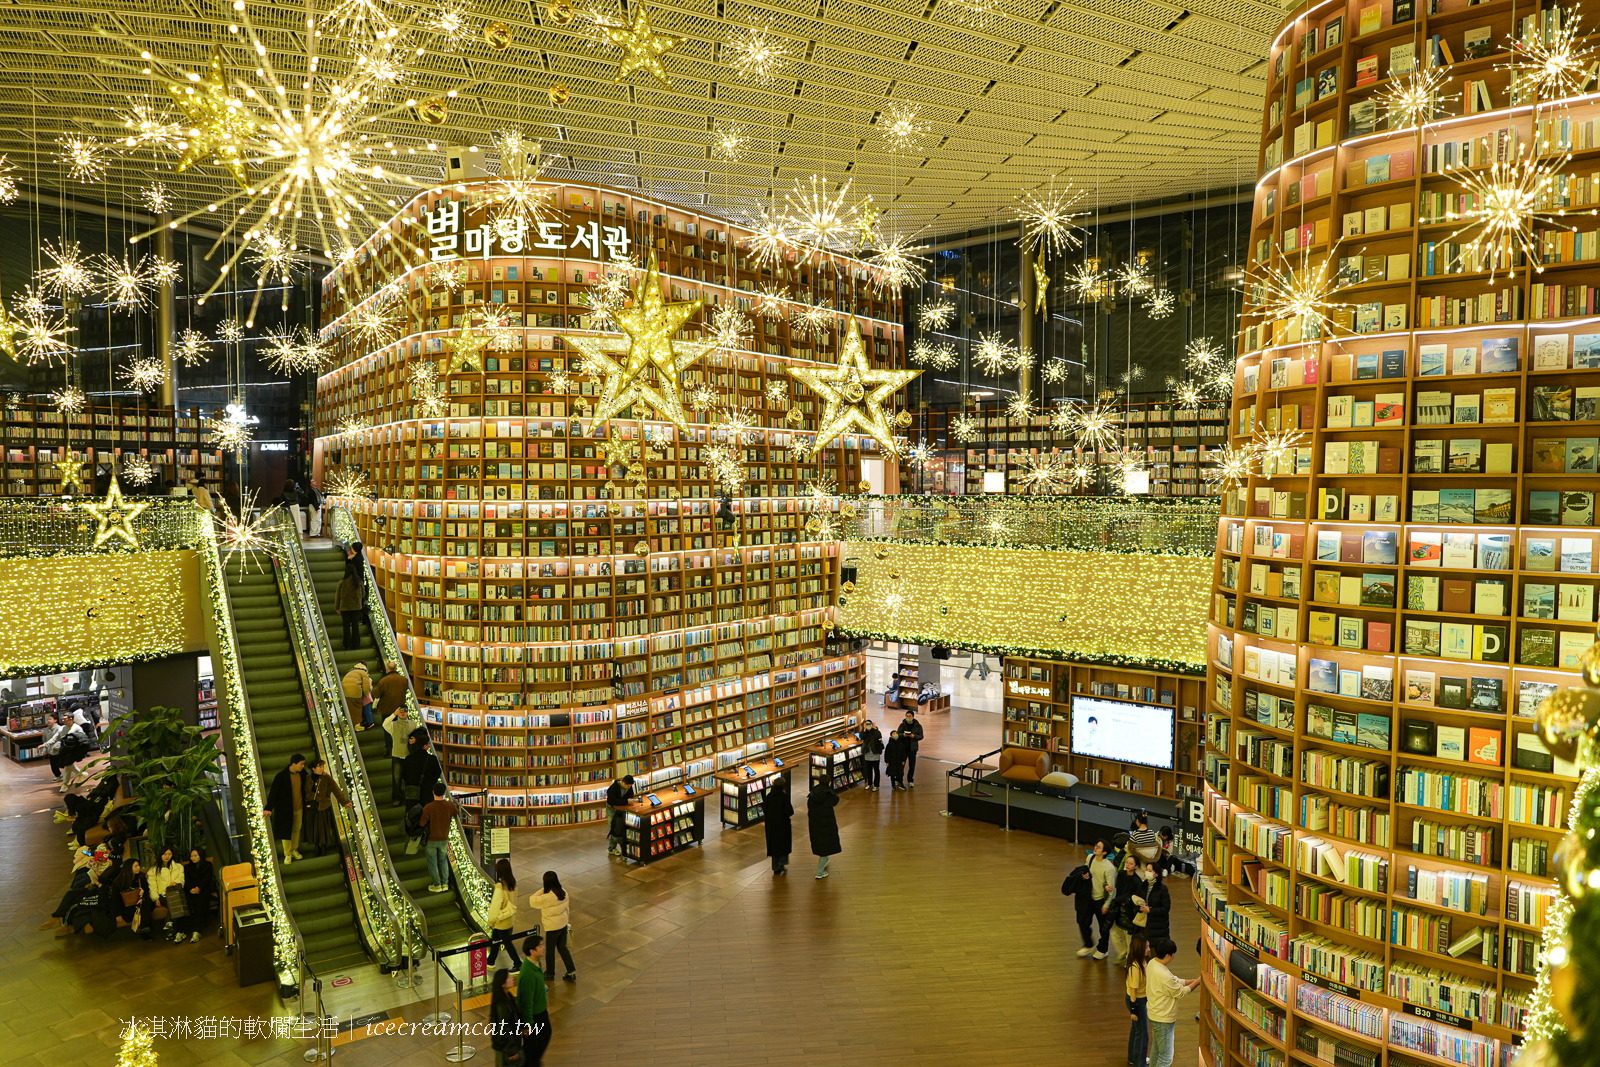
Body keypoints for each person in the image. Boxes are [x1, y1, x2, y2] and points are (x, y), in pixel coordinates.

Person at [1146, 938, 1201, 1067]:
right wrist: (1198, 982)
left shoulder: (1153, 963)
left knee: (1156, 1050)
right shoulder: (1163, 974)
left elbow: (1173, 980)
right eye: (1173, 954)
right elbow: (1180, 992)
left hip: (1155, 1013)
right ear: (1168, 955)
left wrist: (1190, 980)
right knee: (1166, 1058)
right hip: (1164, 1018)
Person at [527, 870, 576, 982]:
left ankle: (550, 973)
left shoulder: (547, 897)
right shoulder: (563, 892)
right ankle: (571, 972)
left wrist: (544, 889)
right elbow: (567, 909)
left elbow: (532, 900)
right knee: (563, 948)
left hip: (552, 927)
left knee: (550, 951)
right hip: (562, 924)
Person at [265, 753, 311, 864]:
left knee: (297, 830)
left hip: (299, 807)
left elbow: (310, 781)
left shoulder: (303, 774)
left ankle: (294, 849)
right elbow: (273, 793)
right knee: (286, 832)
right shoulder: (281, 776)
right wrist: (268, 808)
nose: (303, 766)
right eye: (301, 764)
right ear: (294, 764)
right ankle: (288, 854)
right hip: (285, 809)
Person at [1078, 838, 1117, 959]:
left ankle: (1103, 949)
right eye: (1096, 845)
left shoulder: (1109, 868)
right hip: (1089, 897)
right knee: (1082, 921)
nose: (1095, 848)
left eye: (1099, 847)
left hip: (1101, 901)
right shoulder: (1090, 858)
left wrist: (1106, 904)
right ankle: (1088, 944)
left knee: (1103, 928)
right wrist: (1084, 877)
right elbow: (1086, 870)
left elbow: (1112, 888)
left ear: (1105, 852)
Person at [305, 758, 351, 856]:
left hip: (323, 806)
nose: (322, 768)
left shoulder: (326, 778)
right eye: (319, 766)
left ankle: (323, 847)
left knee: (322, 827)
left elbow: (336, 790)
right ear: (313, 768)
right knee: (313, 827)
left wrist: (344, 802)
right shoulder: (307, 778)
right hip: (311, 807)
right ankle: (316, 846)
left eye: (322, 766)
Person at [517, 934, 551, 1066]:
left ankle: (534, 1062)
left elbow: (540, 986)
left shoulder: (537, 963)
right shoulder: (527, 974)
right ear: (532, 951)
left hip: (541, 1010)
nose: (543, 948)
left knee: (545, 1035)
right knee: (531, 1046)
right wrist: (528, 1025)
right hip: (534, 1016)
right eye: (540, 946)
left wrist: (544, 1000)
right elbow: (526, 1001)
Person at [1108, 853, 1145, 966]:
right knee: (1114, 933)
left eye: (1131, 863)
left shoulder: (1137, 881)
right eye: (1127, 862)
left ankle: (1130, 961)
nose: (1127, 865)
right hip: (1119, 908)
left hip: (1129, 912)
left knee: (1129, 937)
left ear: (1136, 866)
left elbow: (1137, 898)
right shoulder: (1121, 874)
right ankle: (1122, 952)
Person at [420, 782, 458, 892]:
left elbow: (422, 823)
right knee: (443, 860)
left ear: (433, 792)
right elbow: (456, 813)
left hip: (431, 839)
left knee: (432, 862)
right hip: (444, 838)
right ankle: (445, 884)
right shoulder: (450, 805)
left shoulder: (428, 807)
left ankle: (437, 885)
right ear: (444, 793)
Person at [485, 858, 521, 970]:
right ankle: (491, 961)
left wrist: (491, 920)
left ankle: (518, 963)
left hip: (501, 920)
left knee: (507, 943)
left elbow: (495, 907)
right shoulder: (512, 883)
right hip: (509, 919)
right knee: (495, 940)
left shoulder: (500, 887)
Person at [147, 845, 187, 943]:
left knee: (175, 901)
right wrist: (156, 898)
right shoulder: (153, 870)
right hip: (163, 895)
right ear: (161, 855)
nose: (167, 856)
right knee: (175, 903)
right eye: (165, 854)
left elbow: (182, 879)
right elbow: (152, 886)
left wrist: (176, 882)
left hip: (176, 892)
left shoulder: (178, 867)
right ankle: (173, 928)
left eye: (169, 854)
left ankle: (170, 928)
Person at [489, 966, 525, 1067]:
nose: (512, 978)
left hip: (512, 1045)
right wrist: (511, 1051)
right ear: (503, 984)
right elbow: (503, 1030)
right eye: (509, 977)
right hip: (507, 1050)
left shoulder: (508, 998)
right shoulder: (501, 1006)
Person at [183, 847, 217, 943]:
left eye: (195, 856)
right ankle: (184, 930)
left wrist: (199, 888)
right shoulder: (187, 867)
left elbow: (207, 879)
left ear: (200, 856)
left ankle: (196, 930)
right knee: (188, 900)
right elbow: (187, 880)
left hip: (203, 889)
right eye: (191, 856)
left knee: (199, 901)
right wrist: (191, 889)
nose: (193, 858)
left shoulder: (208, 865)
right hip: (191, 890)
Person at [807, 780, 840, 879]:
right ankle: (819, 872)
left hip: (815, 823)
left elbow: (809, 806)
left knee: (821, 844)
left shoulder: (812, 794)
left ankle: (824, 862)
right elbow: (836, 801)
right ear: (829, 782)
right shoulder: (829, 794)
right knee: (825, 847)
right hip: (827, 823)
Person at [402, 728, 442, 811]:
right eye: (428, 744)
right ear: (425, 746)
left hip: (412, 792)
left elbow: (404, 774)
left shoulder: (408, 758)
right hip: (427, 791)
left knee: (412, 814)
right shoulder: (432, 759)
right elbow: (437, 772)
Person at [1126, 935, 1151, 1067]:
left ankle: (1133, 1058)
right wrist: (1134, 1010)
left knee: (1136, 1030)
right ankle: (1139, 1063)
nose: (1149, 949)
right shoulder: (1135, 968)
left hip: (1141, 999)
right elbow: (1133, 991)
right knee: (1143, 1035)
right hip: (1137, 1001)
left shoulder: (1144, 962)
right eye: (1146, 947)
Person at [336, 543, 365, 650]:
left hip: (345, 607)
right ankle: (356, 644)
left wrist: (337, 607)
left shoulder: (342, 582)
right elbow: (363, 594)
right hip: (356, 607)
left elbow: (338, 596)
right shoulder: (359, 582)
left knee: (346, 627)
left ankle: (347, 644)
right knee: (355, 626)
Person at [383, 701, 413, 801]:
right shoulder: (393, 725)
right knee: (396, 780)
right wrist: (394, 714)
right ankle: (396, 798)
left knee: (410, 779)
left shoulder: (413, 724)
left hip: (409, 756)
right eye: (400, 712)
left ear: (408, 712)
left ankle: (410, 797)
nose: (403, 713)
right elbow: (385, 724)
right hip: (397, 755)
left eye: (405, 711)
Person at [763, 777, 792, 875]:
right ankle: (782, 863)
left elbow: (765, 810)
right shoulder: (784, 797)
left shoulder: (768, 796)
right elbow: (789, 811)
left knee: (774, 845)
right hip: (782, 824)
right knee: (783, 844)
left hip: (771, 825)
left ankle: (775, 866)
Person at [1141, 861, 1172, 942]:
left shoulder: (1162, 889)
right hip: (1145, 924)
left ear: (1156, 874)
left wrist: (1150, 910)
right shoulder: (1143, 886)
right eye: (1147, 870)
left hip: (1159, 926)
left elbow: (1165, 908)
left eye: (1150, 871)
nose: (1147, 872)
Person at [605, 774, 635, 856]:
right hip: (612, 809)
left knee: (618, 828)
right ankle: (623, 846)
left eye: (630, 786)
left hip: (621, 809)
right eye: (628, 786)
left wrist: (625, 801)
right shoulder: (612, 789)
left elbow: (630, 795)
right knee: (613, 828)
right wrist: (626, 801)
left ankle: (611, 848)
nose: (629, 788)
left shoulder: (629, 787)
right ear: (623, 783)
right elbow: (613, 801)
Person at [341, 661, 374, 730]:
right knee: (357, 709)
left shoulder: (350, 671)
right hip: (355, 693)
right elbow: (366, 686)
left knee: (350, 709)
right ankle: (357, 725)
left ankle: (350, 725)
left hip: (345, 692)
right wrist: (365, 694)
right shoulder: (363, 672)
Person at [897, 710, 924, 786]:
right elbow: (898, 734)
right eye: (907, 716)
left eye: (910, 716)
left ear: (913, 717)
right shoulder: (902, 725)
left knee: (912, 765)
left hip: (912, 749)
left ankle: (910, 780)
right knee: (901, 764)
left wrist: (914, 736)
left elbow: (921, 736)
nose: (908, 718)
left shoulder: (918, 726)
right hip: (903, 748)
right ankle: (899, 779)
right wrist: (903, 735)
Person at [40, 713, 68, 780]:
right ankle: (58, 775)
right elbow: (45, 740)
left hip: (58, 749)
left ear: (55, 720)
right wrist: (45, 750)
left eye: (50, 719)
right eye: (48, 719)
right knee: (53, 765)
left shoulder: (59, 729)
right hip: (51, 750)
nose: (48, 721)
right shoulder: (46, 729)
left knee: (62, 764)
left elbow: (61, 739)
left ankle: (71, 770)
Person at [858, 719, 883, 791]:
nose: (868, 726)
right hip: (867, 753)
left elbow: (878, 736)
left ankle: (876, 785)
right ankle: (869, 783)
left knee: (876, 770)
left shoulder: (875, 731)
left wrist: (874, 728)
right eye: (867, 724)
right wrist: (864, 729)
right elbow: (862, 736)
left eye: (869, 724)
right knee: (868, 770)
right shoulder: (865, 731)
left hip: (875, 753)